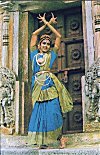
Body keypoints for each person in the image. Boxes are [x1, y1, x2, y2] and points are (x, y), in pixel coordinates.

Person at [28, 13, 73, 149]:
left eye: (48, 43)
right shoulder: (34, 54)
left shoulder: (51, 55)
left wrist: (49, 24)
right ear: (39, 45)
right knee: (39, 113)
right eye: (44, 43)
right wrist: (44, 24)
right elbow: (34, 35)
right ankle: (43, 142)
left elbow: (58, 37)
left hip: (50, 84)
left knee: (54, 112)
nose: (46, 45)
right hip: (37, 86)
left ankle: (61, 138)